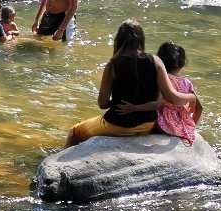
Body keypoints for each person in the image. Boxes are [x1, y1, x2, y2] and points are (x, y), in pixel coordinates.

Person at [65, 19, 197, 146]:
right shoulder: (156, 61)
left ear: (118, 40)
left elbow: (102, 103)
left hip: (117, 126)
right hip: (147, 125)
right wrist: (192, 97)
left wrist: (120, 103)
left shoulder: (112, 64)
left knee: (74, 132)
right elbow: (172, 97)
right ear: (141, 39)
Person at [149, 42, 202, 144]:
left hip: (160, 123)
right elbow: (199, 108)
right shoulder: (186, 83)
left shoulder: (158, 78)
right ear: (181, 65)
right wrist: (190, 127)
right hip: (177, 124)